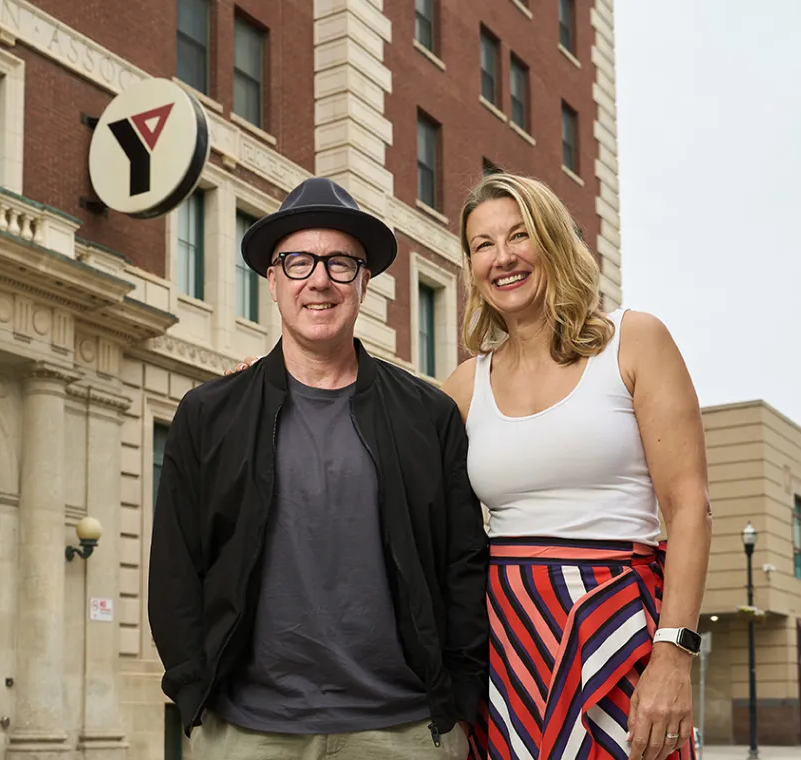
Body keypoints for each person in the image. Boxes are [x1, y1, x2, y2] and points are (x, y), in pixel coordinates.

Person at [148, 177, 488, 760]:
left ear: (364, 281)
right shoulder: (209, 414)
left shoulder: (427, 415)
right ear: (273, 281)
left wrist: (459, 701)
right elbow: (177, 567)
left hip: (403, 729)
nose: (320, 280)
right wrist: (192, 691)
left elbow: (462, 565)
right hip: (247, 731)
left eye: (339, 263)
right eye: (299, 262)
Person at [437, 172, 712, 760]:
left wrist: (674, 653)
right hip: (505, 640)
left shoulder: (634, 341)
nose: (502, 257)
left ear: (554, 241)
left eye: (519, 235)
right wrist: (271, 384)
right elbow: (385, 457)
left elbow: (689, 508)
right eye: (483, 245)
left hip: (617, 625)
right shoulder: (464, 385)